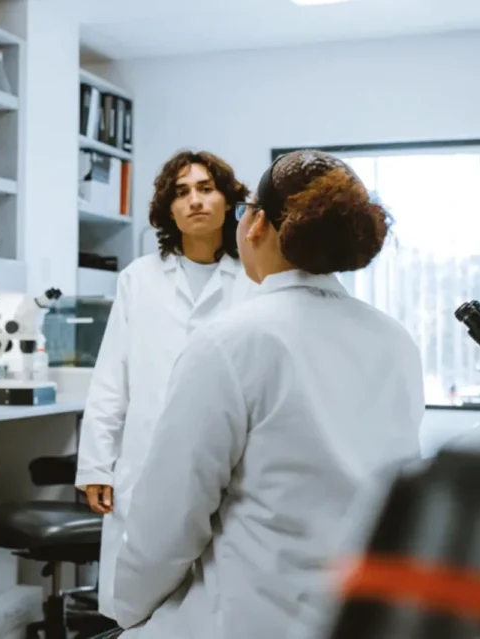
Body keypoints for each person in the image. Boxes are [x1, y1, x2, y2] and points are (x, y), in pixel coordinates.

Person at [109, 150, 425, 638]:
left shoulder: (231, 340)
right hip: (359, 617)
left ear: (255, 224)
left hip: (247, 616)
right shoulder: (395, 339)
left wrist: (127, 612)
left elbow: (167, 523)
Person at [75, 150, 255, 620]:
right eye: (181, 192)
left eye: (205, 188)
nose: (194, 200)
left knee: (216, 598)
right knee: (140, 604)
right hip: (146, 459)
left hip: (232, 465)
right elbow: (112, 377)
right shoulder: (140, 279)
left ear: (228, 201)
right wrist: (96, 465)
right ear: (168, 210)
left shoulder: (254, 281)